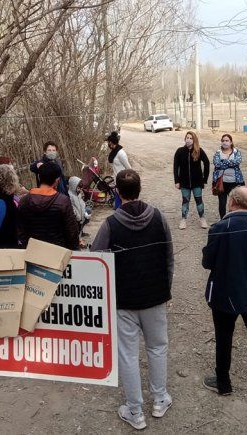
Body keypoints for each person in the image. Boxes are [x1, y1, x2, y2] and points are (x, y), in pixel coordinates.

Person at [91, 169, 174, 430]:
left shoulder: (110, 224)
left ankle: (135, 411)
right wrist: (164, 288)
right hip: (155, 297)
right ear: (140, 188)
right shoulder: (159, 218)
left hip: (123, 300)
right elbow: (168, 257)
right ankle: (160, 399)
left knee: (128, 354)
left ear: (117, 192)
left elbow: (97, 260)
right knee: (157, 347)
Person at [201, 187, 247, 396]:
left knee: (224, 338)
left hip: (224, 292)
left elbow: (207, 262)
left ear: (232, 201)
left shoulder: (219, 227)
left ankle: (223, 384)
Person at [17, 162, 79, 250]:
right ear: (57, 180)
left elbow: (20, 230)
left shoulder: (24, 201)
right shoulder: (63, 201)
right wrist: (74, 249)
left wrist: (26, 247)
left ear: (38, 177)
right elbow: (72, 231)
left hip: (32, 253)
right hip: (58, 253)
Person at [173, 131, 210, 230]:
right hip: (184, 182)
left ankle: (202, 219)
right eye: (187, 138)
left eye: (190, 138)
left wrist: (204, 180)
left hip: (197, 182)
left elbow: (207, 163)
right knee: (185, 201)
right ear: (184, 139)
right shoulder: (180, 151)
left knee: (199, 200)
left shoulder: (198, 151)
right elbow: (175, 167)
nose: (188, 140)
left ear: (194, 140)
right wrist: (177, 181)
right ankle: (183, 219)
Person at [211, 134, 244, 217]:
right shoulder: (218, 153)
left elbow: (237, 162)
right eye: (223, 141)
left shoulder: (236, 152)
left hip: (235, 183)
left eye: (227, 141)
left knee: (236, 203)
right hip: (222, 183)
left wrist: (223, 161)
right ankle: (223, 220)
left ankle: (235, 219)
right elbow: (217, 164)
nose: (225, 142)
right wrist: (230, 163)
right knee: (222, 204)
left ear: (231, 142)